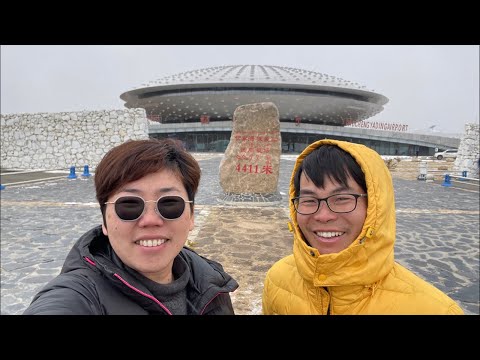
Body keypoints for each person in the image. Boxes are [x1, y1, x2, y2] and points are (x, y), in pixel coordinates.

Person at [24, 139, 239, 315]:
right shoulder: (78, 296)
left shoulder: (212, 283)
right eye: (129, 205)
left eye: (170, 203)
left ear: (191, 215)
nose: (151, 220)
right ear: (105, 221)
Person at [262, 139, 464, 315]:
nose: (323, 216)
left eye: (342, 198)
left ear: (376, 206)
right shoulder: (278, 279)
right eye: (309, 200)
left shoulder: (435, 310)